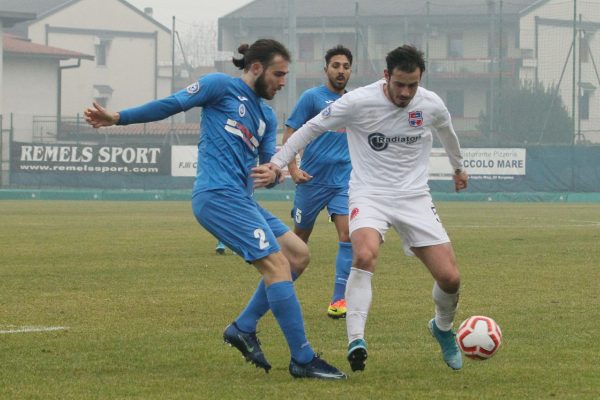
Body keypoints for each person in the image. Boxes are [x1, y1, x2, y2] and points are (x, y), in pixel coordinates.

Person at [84, 39, 346, 380]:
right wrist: (118, 117)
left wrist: (275, 173)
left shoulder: (266, 115)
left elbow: (271, 164)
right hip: (217, 196)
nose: (283, 82)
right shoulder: (219, 86)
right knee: (278, 266)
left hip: (242, 199)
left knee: (298, 255)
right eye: (278, 74)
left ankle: (243, 327)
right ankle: (303, 359)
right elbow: (172, 104)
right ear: (256, 68)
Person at [266, 44, 469, 372]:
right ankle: (355, 340)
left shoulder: (430, 105)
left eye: (412, 85)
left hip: (414, 197)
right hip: (368, 194)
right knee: (363, 254)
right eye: (399, 84)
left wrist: (459, 168)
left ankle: (442, 328)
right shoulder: (358, 101)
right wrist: (279, 162)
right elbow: (310, 128)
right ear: (386, 76)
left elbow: (448, 134)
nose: (405, 92)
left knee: (450, 278)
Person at [282, 45, 353, 319]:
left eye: (345, 66)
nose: (341, 71)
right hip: (310, 180)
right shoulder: (311, 98)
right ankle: (280, 290)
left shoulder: (354, 101)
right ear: (326, 69)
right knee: (300, 241)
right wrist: (292, 168)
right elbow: (290, 133)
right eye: (336, 65)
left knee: (347, 235)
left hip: (343, 182)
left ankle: (339, 300)